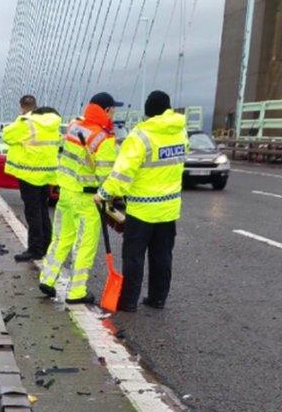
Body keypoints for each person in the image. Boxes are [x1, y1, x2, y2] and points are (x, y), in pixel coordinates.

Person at [96, 90, 188, 311]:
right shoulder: (181, 133)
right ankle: (158, 298)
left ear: (147, 112)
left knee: (134, 257)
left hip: (142, 210)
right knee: (162, 256)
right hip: (168, 208)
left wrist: (103, 194)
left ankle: (128, 302)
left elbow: (122, 174)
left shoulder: (140, 136)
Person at [38, 92, 122, 304]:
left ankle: (47, 278)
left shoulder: (74, 127)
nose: (114, 114)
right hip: (86, 199)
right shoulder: (104, 139)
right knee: (84, 245)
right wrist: (115, 196)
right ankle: (76, 292)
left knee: (61, 239)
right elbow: (105, 176)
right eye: (113, 110)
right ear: (106, 110)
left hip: (65, 193)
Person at [2, 95, 62, 262]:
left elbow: (7, 136)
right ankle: (46, 245)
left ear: (22, 107)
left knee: (32, 212)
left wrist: (21, 120)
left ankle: (35, 249)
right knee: (43, 211)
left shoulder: (26, 123)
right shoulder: (52, 123)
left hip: (29, 174)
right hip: (46, 173)